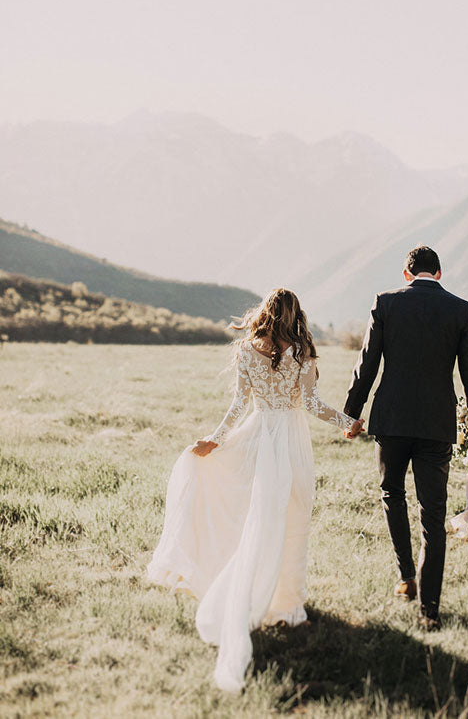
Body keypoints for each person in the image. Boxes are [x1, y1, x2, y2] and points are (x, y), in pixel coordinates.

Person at [147, 288, 361, 693]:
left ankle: (274, 598)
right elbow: (313, 404)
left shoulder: (247, 350)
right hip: (292, 442)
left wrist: (214, 440)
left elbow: (238, 406)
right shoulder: (302, 351)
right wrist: (348, 422)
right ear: (296, 315)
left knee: (261, 517)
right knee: (294, 520)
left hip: (260, 437)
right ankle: (288, 607)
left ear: (264, 312)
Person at [344, 245, 468, 630]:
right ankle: (429, 610)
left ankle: (406, 576)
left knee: (391, 493)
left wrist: (351, 413)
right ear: (439, 275)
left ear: (406, 274)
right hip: (435, 425)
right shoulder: (460, 309)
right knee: (433, 513)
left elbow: (368, 361)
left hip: (391, 420)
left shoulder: (386, 302)